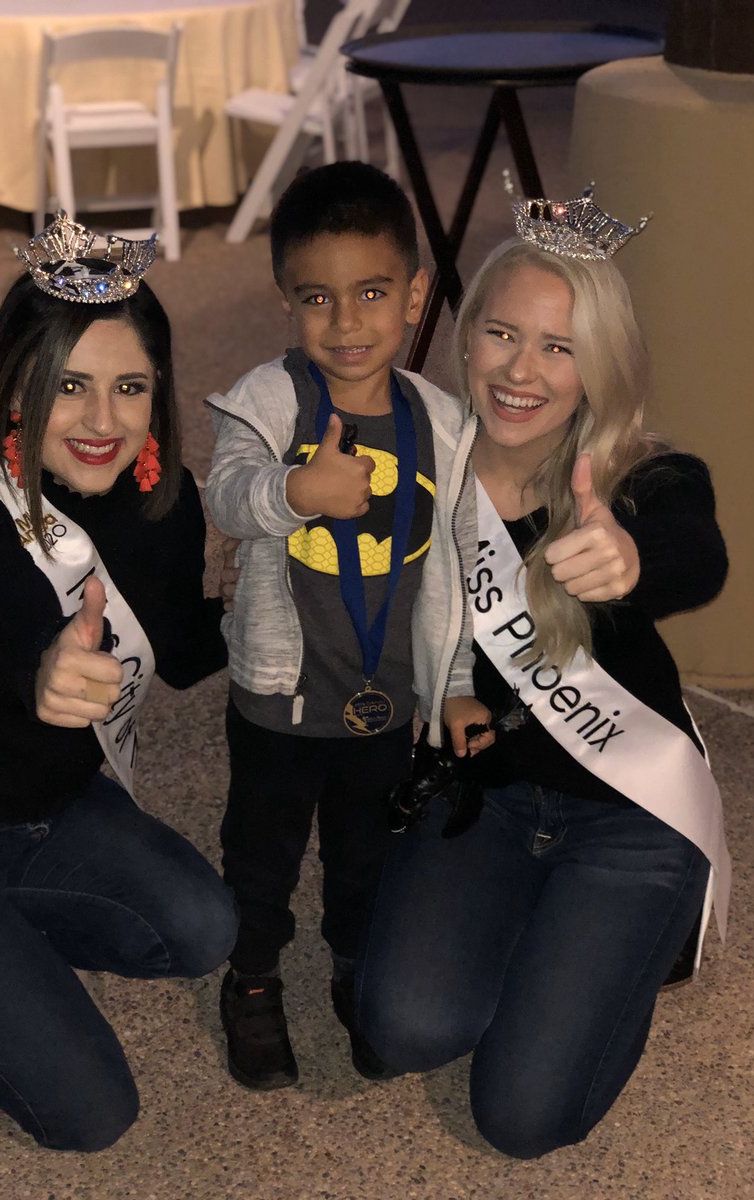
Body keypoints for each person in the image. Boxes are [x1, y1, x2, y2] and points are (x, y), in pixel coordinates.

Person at [356, 184, 732, 1158]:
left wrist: (632, 560)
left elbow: (697, 550)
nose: (521, 372)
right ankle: (565, 940)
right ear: (466, 336)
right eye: (500, 335)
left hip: (628, 808)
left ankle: (642, 920)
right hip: (485, 799)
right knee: (404, 1030)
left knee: (519, 1118)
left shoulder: (637, 476)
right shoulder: (413, 465)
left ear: (599, 365)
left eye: (559, 348)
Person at [0, 214, 237, 1152]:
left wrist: (267, 598)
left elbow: (187, 649)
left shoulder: (167, 502)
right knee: (90, 1119)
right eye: (68, 387)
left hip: (56, 807)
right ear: (16, 389)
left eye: (130, 386)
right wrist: (46, 661)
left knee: (200, 930)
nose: (104, 422)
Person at [205, 162, 479, 1090]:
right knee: (263, 851)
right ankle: (251, 980)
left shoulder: (441, 422)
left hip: (384, 703)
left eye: (371, 293)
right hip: (280, 700)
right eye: (317, 298)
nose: (347, 323)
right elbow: (230, 495)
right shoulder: (270, 401)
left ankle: (357, 964)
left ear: (415, 294)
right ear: (288, 300)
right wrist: (294, 490)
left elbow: (455, 564)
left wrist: (455, 688)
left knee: (368, 853)